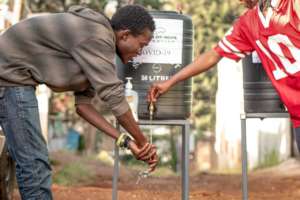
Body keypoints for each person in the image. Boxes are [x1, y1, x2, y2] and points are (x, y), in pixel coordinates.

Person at [0, 4, 158, 200]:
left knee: (32, 160)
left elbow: (83, 106)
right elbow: (114, 97)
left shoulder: (98, 53)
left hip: (15, 78)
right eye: (141, 45)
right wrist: (144, 143)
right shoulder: (98, 36)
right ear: (125, 35)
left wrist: (127, 141)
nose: (140, 53)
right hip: (9, 76)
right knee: (34, 163)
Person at [148, 0, 300, 147]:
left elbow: (212, 56)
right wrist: (169, 82)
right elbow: (212, 56)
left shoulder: (290, 5)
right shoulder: (247, 23)